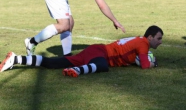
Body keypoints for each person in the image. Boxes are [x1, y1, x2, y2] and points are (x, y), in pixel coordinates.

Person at [24, 0, 125, 58]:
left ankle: (67, 56)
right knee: (64, 25)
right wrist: (115, 20)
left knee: (70, 23)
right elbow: (102, 5)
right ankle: (32, 42)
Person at [0, 26, 164, 77]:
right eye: (158, 38)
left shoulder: (139, 40)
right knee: (102, 65)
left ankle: (16, 59)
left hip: (96, 50)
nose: (160, 41)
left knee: (53, 63)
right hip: (100, 52)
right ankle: (77, 70)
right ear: (149, 37)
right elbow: (144, 66)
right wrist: (153, 63)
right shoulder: (143, 44)